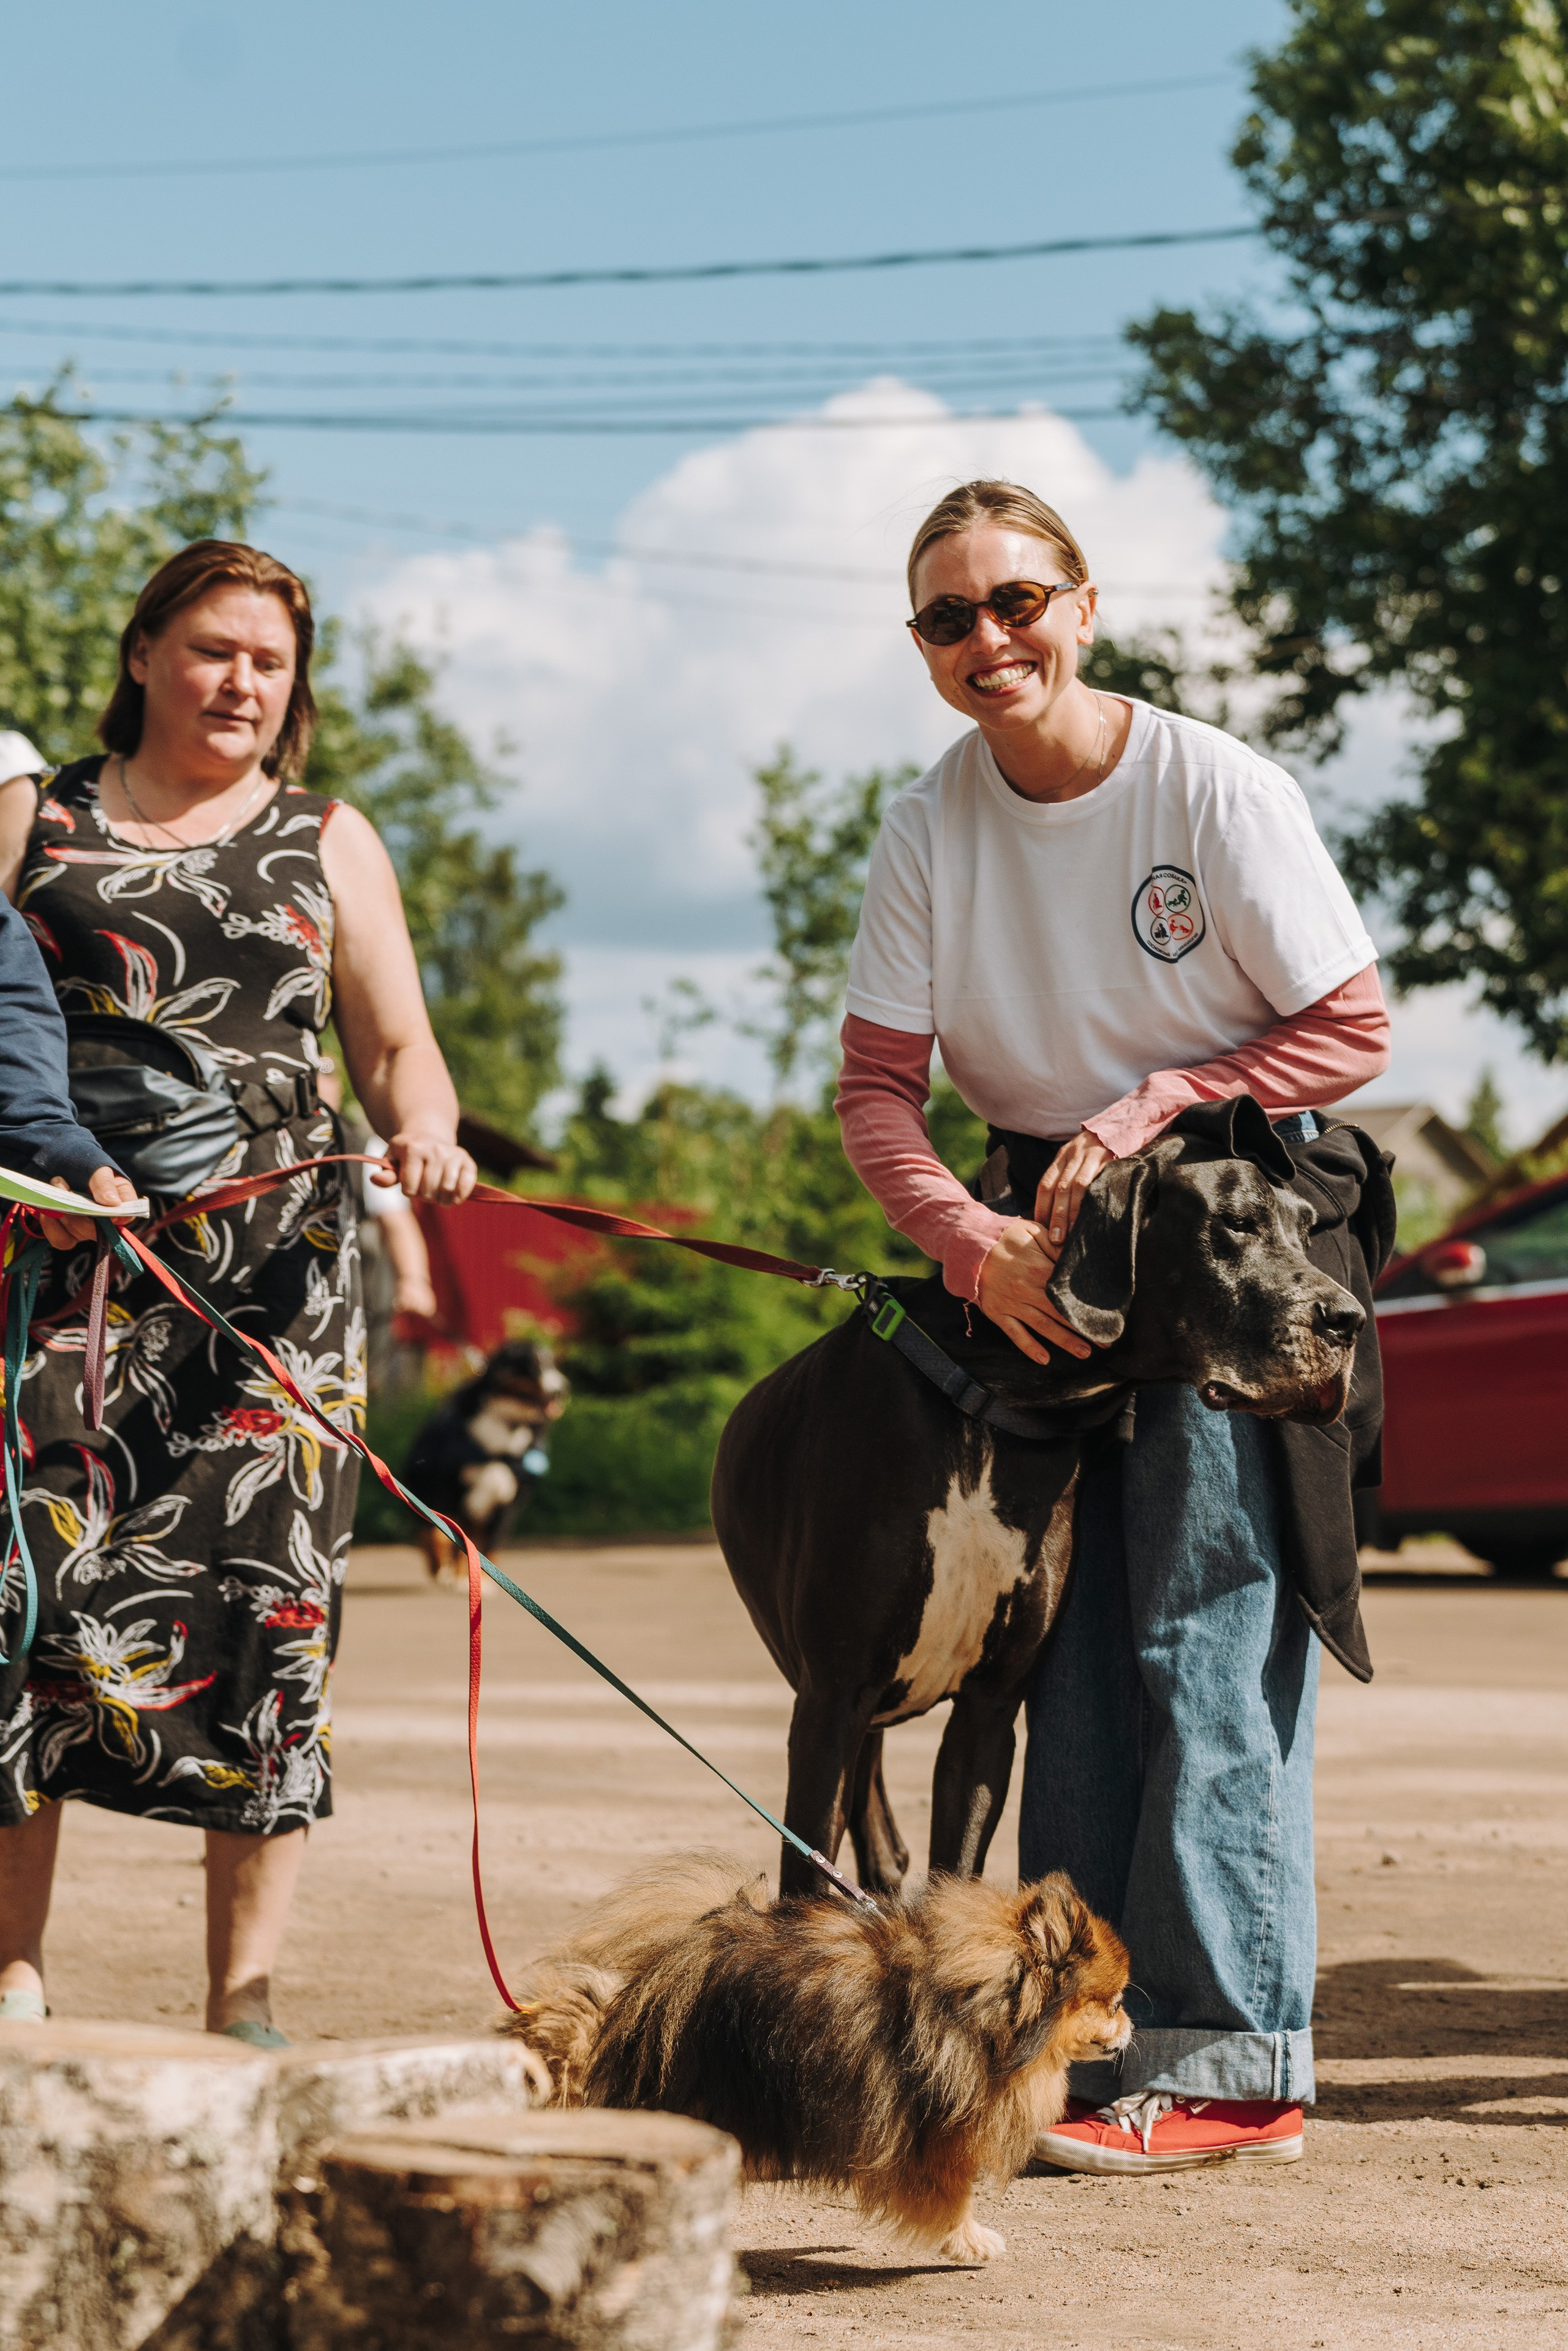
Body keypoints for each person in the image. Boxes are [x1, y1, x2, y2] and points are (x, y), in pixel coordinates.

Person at [835, 480, 1391, 2172]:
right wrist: (966, 1240)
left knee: (1202, 1634)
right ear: (923, 645)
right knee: (1057, 1643)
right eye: (948, 617)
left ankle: (1236, 2060)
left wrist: (1167, 1095)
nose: (987, 640)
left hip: (1226, 1208)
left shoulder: (1211, 785)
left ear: (1083, 604)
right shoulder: (934, 821)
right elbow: (877, 1093)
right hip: (1031, 1233)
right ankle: (1081, 2040)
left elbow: (1351, 1023)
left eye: (1017, 602)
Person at [0, 540, 475, 2044]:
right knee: (28, 1601)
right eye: (212, 649)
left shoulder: (329, 836)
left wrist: (431, 1129)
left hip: (274, 1298)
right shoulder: (36, 814)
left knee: (268, 1614)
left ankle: (242, 1994)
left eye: (267, 661)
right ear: (143, 653)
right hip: (66, 1275)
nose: (240, 682)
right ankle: (13, 1968)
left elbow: (394, 1043)